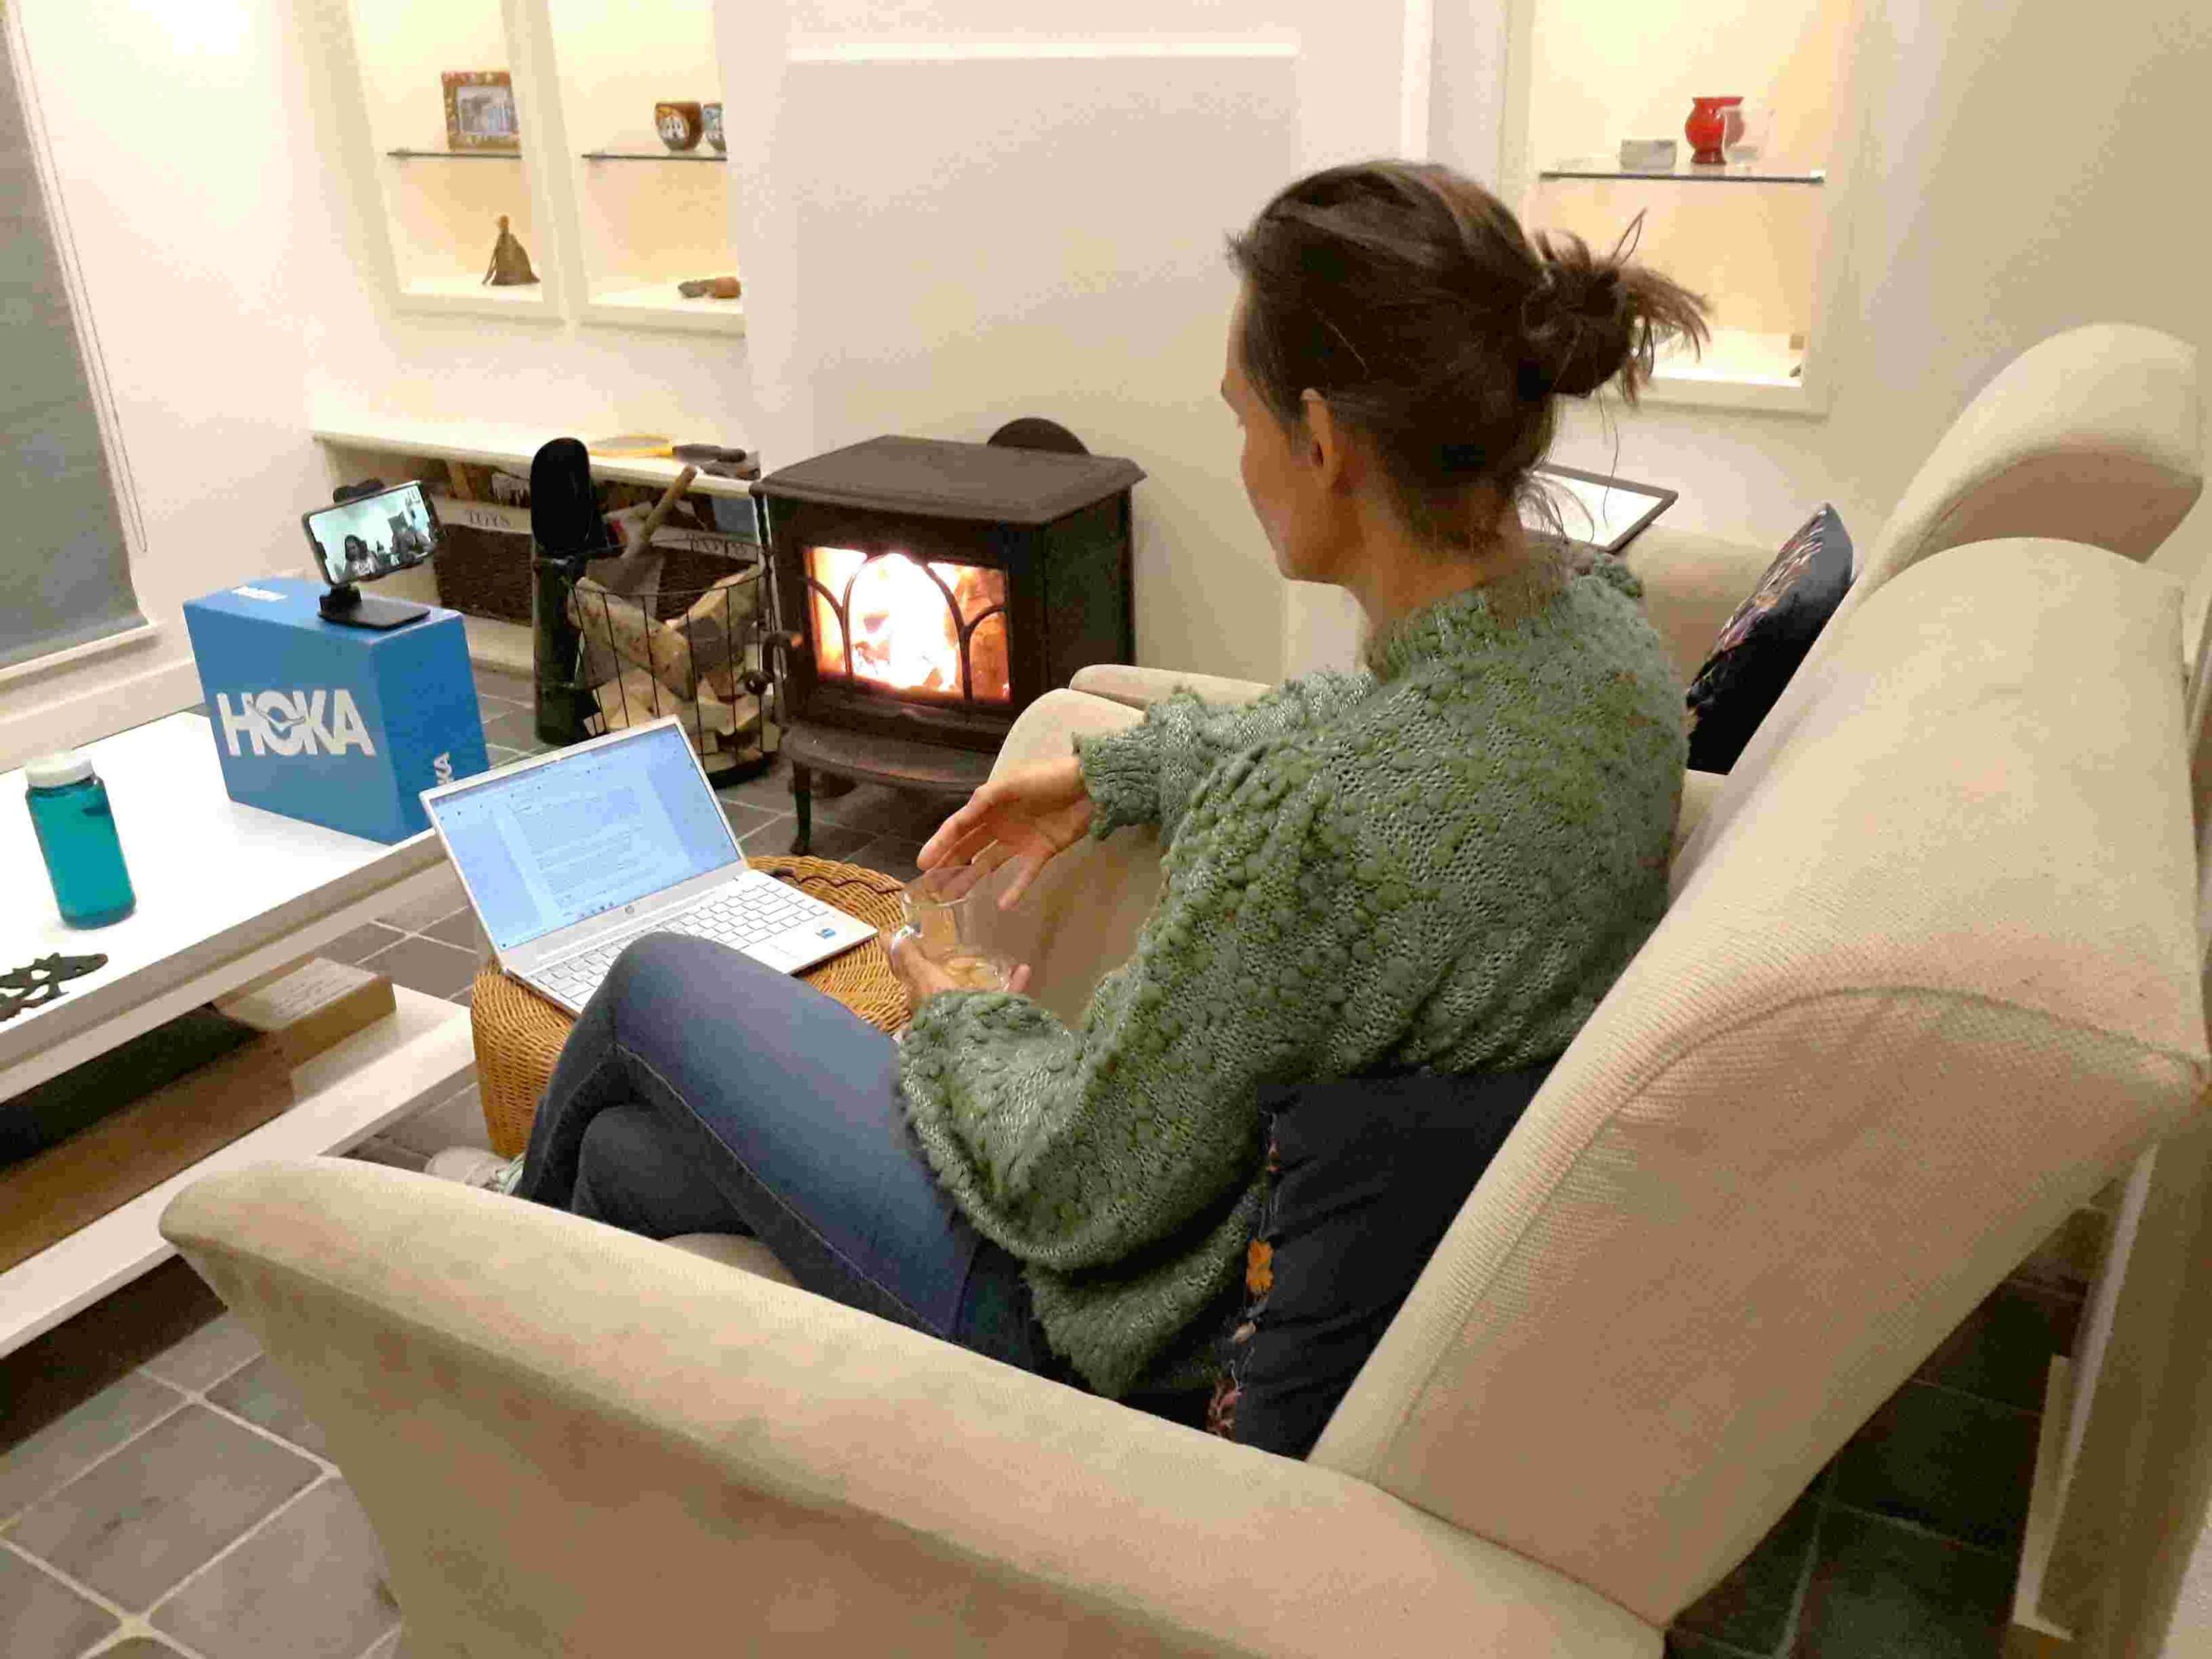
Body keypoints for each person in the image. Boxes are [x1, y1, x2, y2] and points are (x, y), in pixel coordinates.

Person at [430, 159, 1707, 1413]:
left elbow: (1074, 1182)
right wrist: (1120, 768)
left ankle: (457, 1288)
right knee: (622, 1154)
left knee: (656, 983)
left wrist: (965, 1016)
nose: (1241, 454)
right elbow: (1364, 722)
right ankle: (549, 1340)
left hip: (1113, 1323)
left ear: (1321, 442)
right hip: (1245, 1238)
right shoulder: (1600, 643)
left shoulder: (1326, 818)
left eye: (1240, 418)